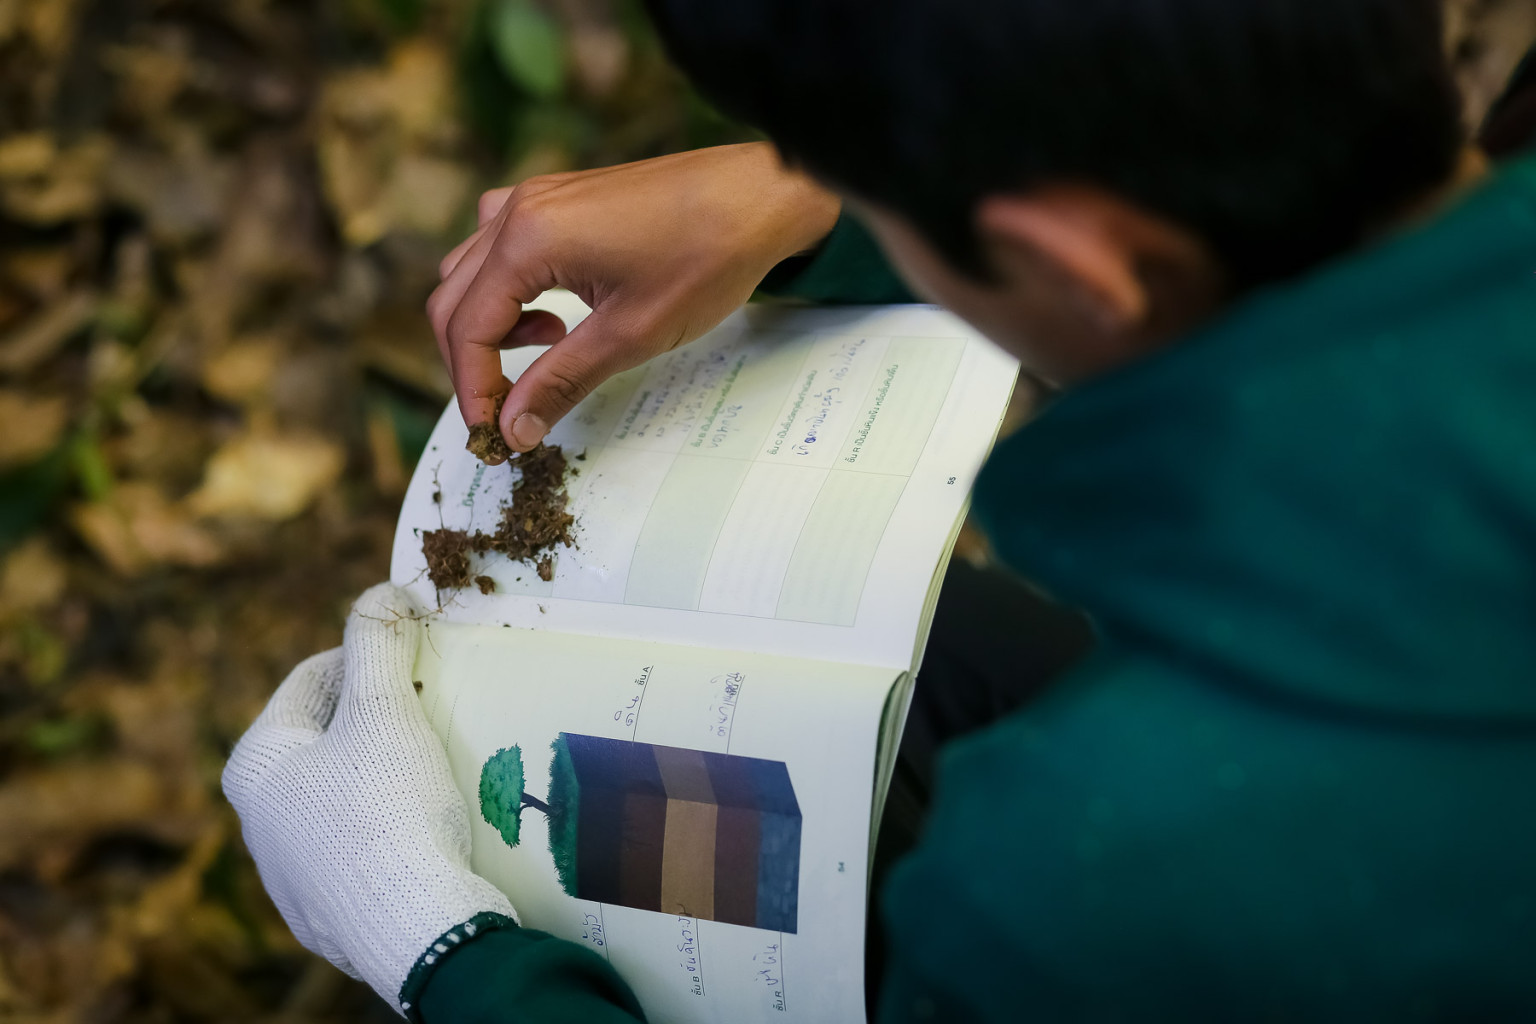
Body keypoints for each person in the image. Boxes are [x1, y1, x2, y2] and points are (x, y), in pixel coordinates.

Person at [222, 1, 1536, 1020]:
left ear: (1075, 260)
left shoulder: (1073, 894)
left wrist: (447, 954)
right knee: (937, 657)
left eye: (869, 193)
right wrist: (822, 200)